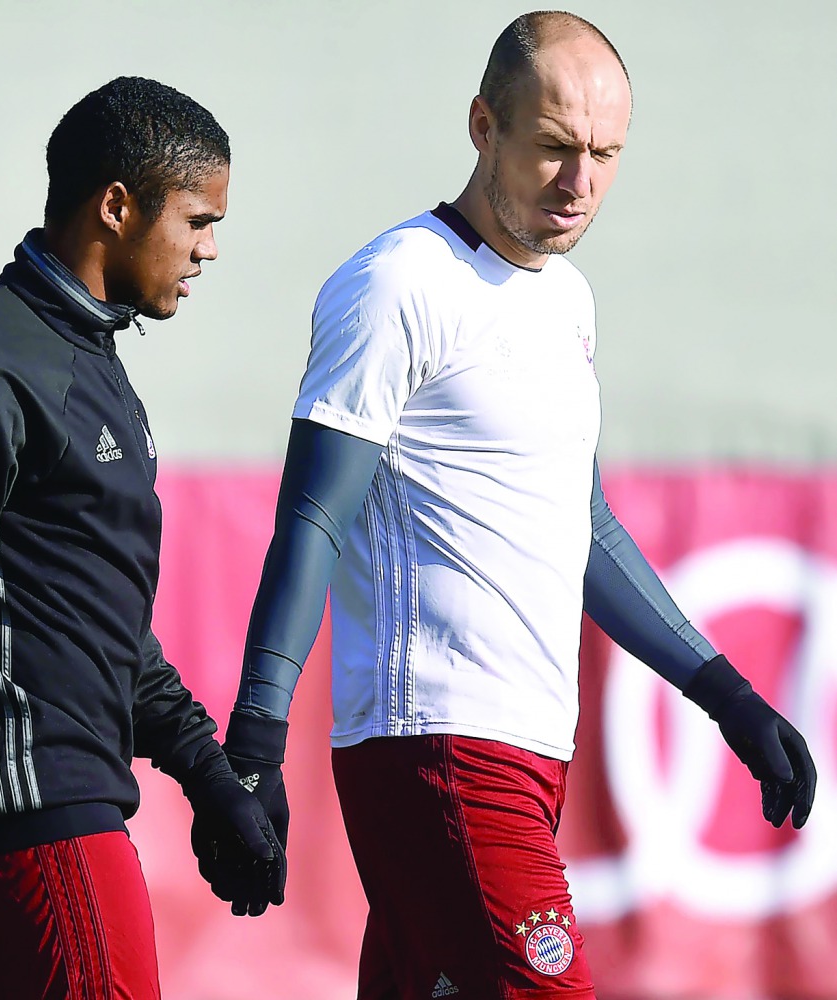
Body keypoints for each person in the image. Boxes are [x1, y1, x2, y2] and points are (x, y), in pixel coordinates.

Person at [218, 12, 816, 1000]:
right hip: (442, 748)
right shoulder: (397, 281)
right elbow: (311, 518)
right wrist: (254, 733)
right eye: (551, 147)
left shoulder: (565, 299)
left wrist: (730, 698)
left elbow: (587, 530)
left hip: (525, 758)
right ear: (481, 125)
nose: (578, 180)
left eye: (604, 153)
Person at [0, 76, 284, 1000]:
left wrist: (208, 776)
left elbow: (103, 632)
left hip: (53, 823)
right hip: (32, 838)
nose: (211, 249)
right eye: (198, 220)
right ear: (118, 207)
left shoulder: (92, 363)